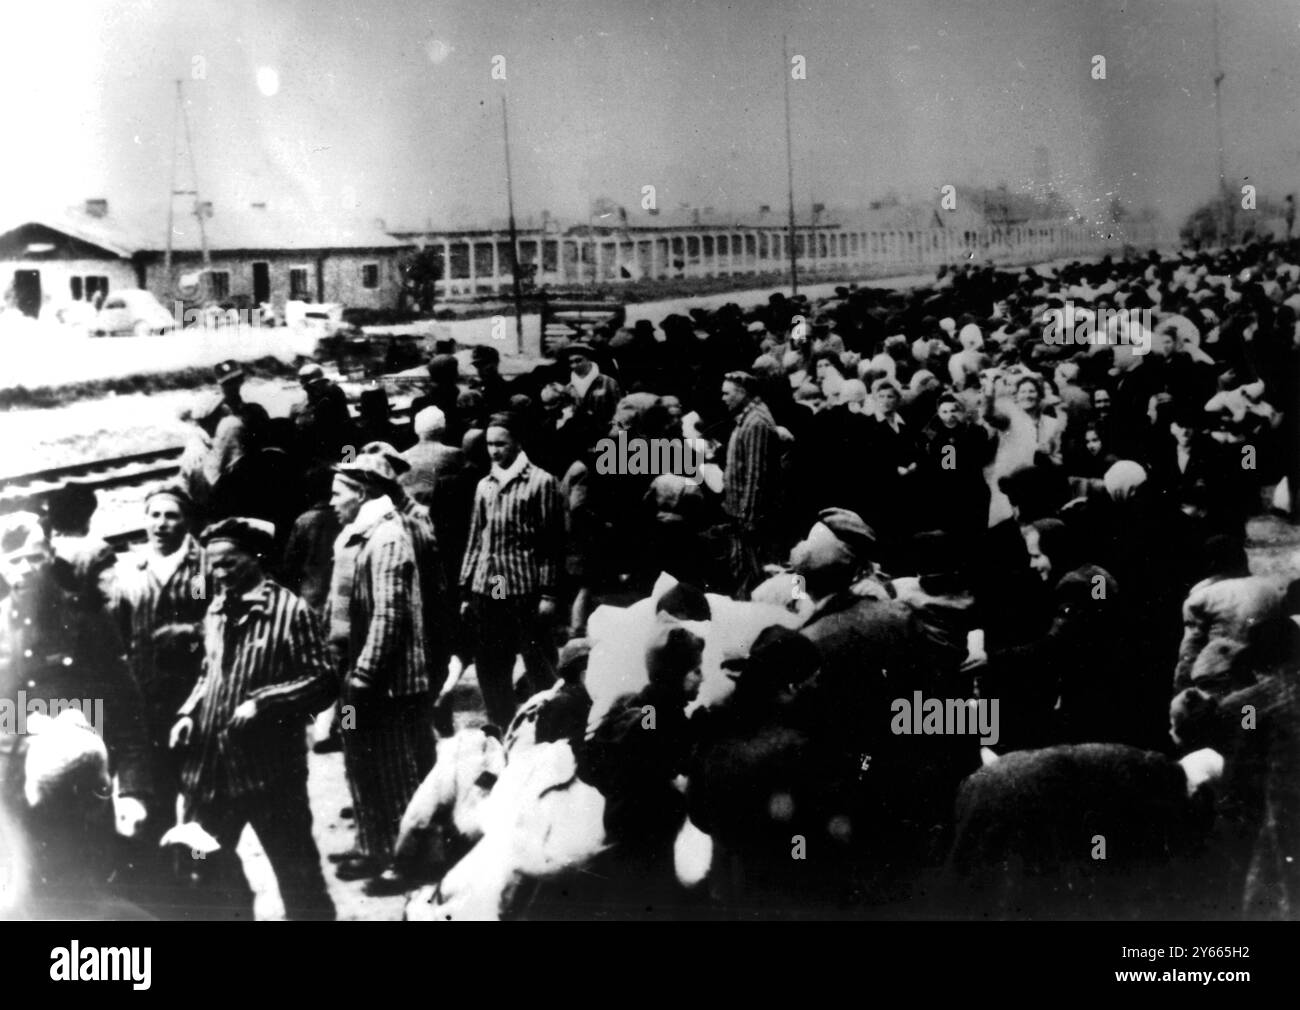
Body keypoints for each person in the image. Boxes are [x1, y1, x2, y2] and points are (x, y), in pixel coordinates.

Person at [170, 517, 335, 920]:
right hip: (211, 768)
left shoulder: (292, 612)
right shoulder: (216, 607)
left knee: (297, 873)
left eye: (229, 563)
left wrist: (265, 702)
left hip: (270, 772)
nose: (219, 573)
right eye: (213, 565)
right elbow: (210, 673)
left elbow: (323, 680)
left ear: (256, 558)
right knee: (201, 864)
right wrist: (189, 712)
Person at [326, 453, 434, 894]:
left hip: (385, 685)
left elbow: (390, 616)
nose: (332, 503)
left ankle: (408, 861)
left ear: (363, 493)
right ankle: (373, 847)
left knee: (394, 773)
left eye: (338, 494)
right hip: (354, 683)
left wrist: (365, 677)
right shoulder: (358, 534)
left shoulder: (388, 537)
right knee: (360, 763)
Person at [459, 412, 565, 731]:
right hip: (488, 588)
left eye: (501, 444)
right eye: (489, 444)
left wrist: (548, 592)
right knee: (491, 666)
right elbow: (476, 538)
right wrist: (466, 589)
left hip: (523, 589)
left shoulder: (541, 482)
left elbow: (551, 542)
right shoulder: (484, 485)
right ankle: (501, 730)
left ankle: (549, 729)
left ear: (517, 443)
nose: (494, 451)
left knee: (538, 664)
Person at [720, 371, 783, 596]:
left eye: (727, 393)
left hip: (750, 517)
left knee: (755, 575)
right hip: (743, 514)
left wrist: (748, 517)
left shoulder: (755, 422)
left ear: (743, 393)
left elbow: (756, 476)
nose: (723, 398)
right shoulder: (749, 418)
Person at [290, 363, 352, 464]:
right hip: (336, 446)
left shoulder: (330, 394)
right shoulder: (329, 392)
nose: (307, 389)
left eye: (310, 387)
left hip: (335, 446)